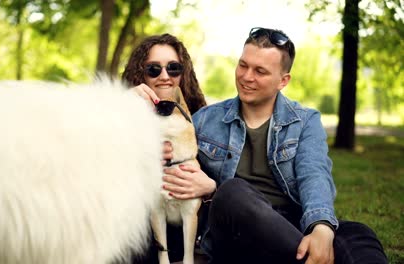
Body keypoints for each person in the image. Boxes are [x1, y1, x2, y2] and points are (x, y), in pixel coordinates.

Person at [162, 27, 386, 263]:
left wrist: (321, 227)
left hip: (289, 228)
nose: (247, 77)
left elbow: (315, 174)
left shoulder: (305, 121)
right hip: (235, 231)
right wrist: (209, 187)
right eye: (243, 65)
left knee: (358, 234)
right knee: (232, 192)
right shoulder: (205, 120)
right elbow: (170, 154)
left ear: (283, 80)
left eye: (260, 71)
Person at [122, 33, 210, 263]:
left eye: (173, 68)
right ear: (140, 73)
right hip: (139, 233)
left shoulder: (201, 117)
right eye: (153, 69)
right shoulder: (123, 113)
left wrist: (210, 187)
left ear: (184, 72)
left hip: (189, 228)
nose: (164, 76)